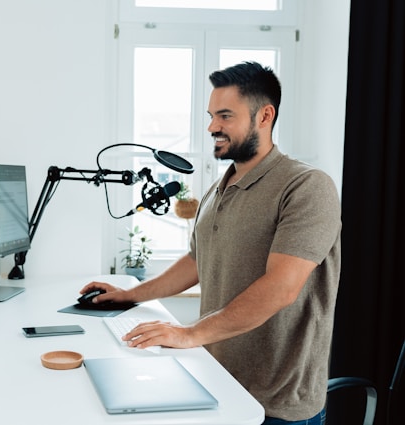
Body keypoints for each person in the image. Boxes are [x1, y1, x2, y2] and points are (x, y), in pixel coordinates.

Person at [80, 61, 341, 425]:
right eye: (211, 115)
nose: (212, 127)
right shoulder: (219, 189)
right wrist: (131, 294)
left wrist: (189, 333)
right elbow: (198, 261)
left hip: (277, 403)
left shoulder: (306, 186)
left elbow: (282, 288)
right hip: (217, 382)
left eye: (225, 116)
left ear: (265, 116)